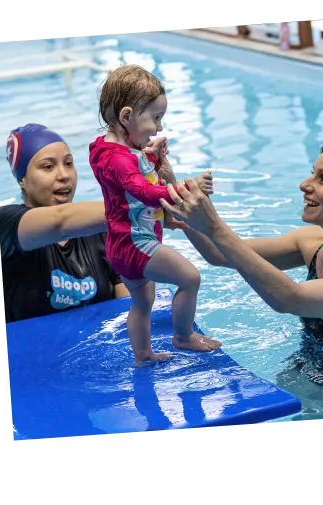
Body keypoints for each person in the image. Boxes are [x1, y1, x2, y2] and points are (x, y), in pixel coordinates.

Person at [160, 140, 323, 382]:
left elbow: (292, 299)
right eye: (312, 174)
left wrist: (215, 227)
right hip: (306, 367)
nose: (304, 185)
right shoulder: (311, 242)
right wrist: (173, 191)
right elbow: (219, 253)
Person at [88, 64, 222, 367]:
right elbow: (142, 191)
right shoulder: (119, 160)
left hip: (122, 244)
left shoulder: (112, 151)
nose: (159, 128)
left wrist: (150, 155)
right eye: (155, 118)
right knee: (190, 278)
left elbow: (132, 175)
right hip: (135, 243)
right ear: (126, 117)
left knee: (143, 304)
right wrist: (188, 187)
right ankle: (183, 336)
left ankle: (143, 355)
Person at [0, 123, 184, 323]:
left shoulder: (103, 231)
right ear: (22, 180)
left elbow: (129, 307)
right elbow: (59, 221)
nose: (64, 175)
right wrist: (151, 203)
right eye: (48, 167)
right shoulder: (5, 225)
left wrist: (150, 177)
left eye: (68, 163)